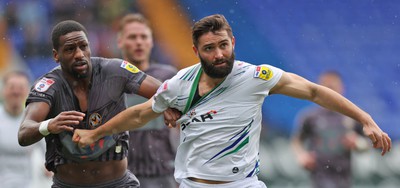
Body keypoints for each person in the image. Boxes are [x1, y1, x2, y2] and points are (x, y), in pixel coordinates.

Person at [73, 14, 391, 188]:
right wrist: (95, 133)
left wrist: (365, 118)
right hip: (194, 185)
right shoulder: (178, 84)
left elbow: (313, 91)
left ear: (233, 42)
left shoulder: (257, 76)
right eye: (210, 48)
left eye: (224, 44)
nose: (219, 54)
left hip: (244, 184)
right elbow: (139, 114)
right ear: (197, 52)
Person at [17, 20, 179, 188]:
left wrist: (167, 104)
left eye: (83, 46)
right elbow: (24, 133)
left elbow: (165, 93)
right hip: (68, 185)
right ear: (56, 55)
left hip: (119, 183)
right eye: (70, 49)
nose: (79, 54)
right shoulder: (49, 85)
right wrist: (49, 125)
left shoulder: (115, 71)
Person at [117, 13, 179, 188]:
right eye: (132, 37)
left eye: (143, 37)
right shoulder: (110, 77)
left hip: (163, 172)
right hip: (122, 174)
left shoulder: (169, 77)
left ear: (151, 42)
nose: (139, 42)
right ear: (120, 41)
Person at [291, 71, 369, 188]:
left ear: (342, 88)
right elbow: (297, 140)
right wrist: (302, 156)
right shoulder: (310, 117)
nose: (329, 92)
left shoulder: (352, 116)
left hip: (343, 175)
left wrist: (357, 143)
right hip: (319, 175)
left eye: (332, 87)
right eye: (325, 87)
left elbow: (366, 145)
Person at [0, 71, 50, 188]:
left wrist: (48, 167)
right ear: (3, 91)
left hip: (28, 183)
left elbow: (47, 153)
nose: (16, 92)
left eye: (21, 88)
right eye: (12, 87)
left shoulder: (35, 120)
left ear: (28, 92)